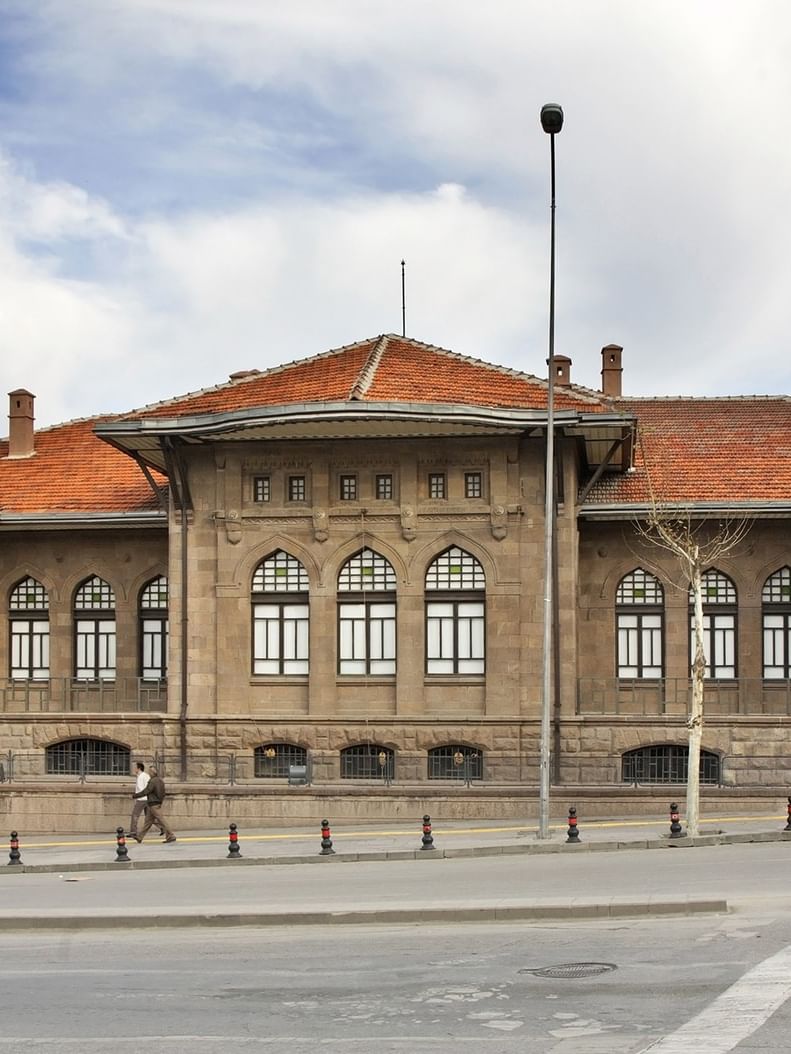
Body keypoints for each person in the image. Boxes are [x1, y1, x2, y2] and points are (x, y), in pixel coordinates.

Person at [133, 767, 176, 843]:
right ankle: (140, 837)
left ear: (152, 773)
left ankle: (171, 836)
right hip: (154, 803)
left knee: (161, 820)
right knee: (148, 822)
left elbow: (147, 791)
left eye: (149, 772)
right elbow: (163, 793)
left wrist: (136, 795)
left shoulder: (152, 781)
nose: (149, 773)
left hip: (153, 804)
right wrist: (160, 801)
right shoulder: (160, 780)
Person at [128, 762, 164, 839]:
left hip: (141, 799)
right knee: (150, 817)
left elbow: (142, 789)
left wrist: (136, 796)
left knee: (135, 815)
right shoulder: (146, 776)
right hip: (147, 799)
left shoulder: (141, 777)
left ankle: (133, 832)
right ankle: (162, 827)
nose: (134, 769)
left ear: (139, 768)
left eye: (135, 767)